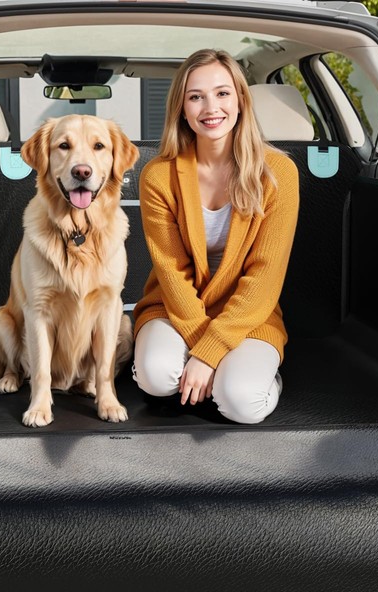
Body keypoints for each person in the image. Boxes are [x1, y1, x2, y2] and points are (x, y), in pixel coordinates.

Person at [132, 48, 300, 424]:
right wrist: (204, 348)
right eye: (196, 97)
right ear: (181, 108)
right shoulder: (157, 175)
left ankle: (260, 380)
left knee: (241, 403)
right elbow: (172, 273)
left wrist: (210, 353)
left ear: (240, 99)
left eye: (222, 93)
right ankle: (208, 374)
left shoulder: (278, 173)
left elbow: (265, 277)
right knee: (156, 377)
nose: (211, 108)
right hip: (175, 310)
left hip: (250, 315)